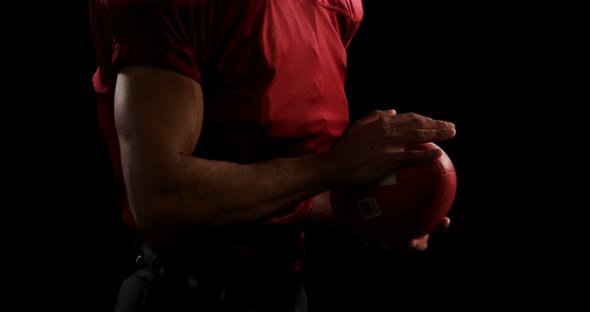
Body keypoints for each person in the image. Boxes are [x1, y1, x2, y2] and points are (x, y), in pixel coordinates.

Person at [89, 0, 456, 311]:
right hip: (181, 294)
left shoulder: (338, 5)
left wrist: (368, 209)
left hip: (284, 294)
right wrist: (335, 167)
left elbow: (265, 163)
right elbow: (158, 196)